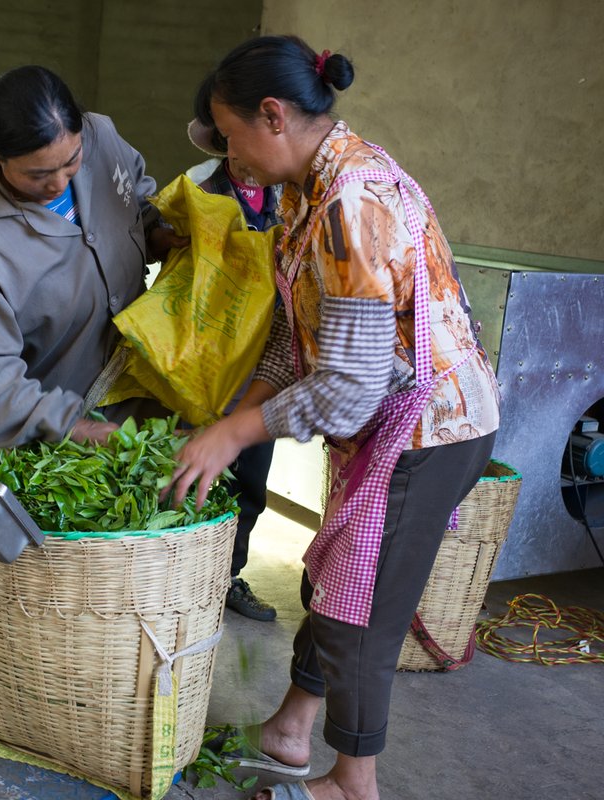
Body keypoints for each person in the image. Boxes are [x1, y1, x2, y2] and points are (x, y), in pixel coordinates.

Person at [165, 36, 500, 800]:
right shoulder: (308, 191)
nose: (228, 155)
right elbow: (296, 335)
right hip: (387, 424)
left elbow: (346, 389)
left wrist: (239, 433)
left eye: (230, 134)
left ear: (273, 116)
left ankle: (354, 784)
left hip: (429, 432)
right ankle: (290, 731)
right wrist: (237, 414)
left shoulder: (353, 202)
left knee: (362, 620)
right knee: (339, 582)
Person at [0, 65, 183, 456]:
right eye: (38, 175)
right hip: (60, 447)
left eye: (72, 162)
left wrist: (157, 234)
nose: (59, 185)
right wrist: (80, 428)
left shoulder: (100, 135)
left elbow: (138, 199)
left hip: (147, 400)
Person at [186, 117, 284, 622]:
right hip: (208, 357)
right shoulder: (201, 186)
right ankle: (183, 575)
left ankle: (226, 576)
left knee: (250, 480)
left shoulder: (285, 193)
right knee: (192, 467)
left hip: (264, 359)